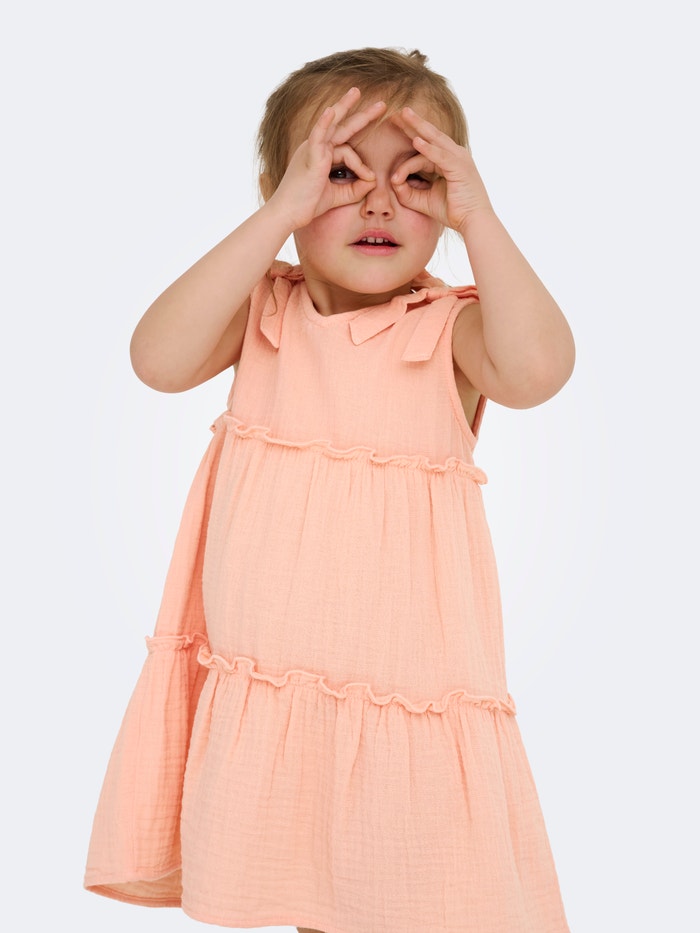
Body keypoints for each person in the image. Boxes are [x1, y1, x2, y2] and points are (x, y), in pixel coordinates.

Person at [84, 47, 575, 933]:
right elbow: (157, 358)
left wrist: (482, 218)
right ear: (284, 188)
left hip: (405, 701)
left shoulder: (448, 331)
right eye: (341, 173)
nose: (380, 202)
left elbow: (538, 370)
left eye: (418, 178)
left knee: (413, 899)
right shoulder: (263, 313)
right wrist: (278, 214)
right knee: (312, 897)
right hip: (278, 689)